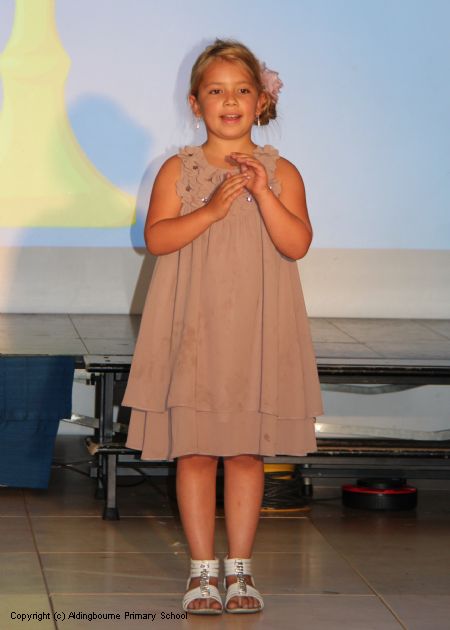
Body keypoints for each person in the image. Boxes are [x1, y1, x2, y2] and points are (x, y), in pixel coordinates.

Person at [122, 38, 324, 615]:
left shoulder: (282, 172)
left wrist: (263, 193)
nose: (229, 101)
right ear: (196, 103)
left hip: (256, 333)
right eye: (216, 90)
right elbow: (157, 239)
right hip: (194, 331)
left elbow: (297, 244)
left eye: (241, 90)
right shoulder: (178, 169)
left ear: (261, 102)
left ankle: (240, 570)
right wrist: (210, 210)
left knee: (245, 453)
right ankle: (201, 571)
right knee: (194, 451)